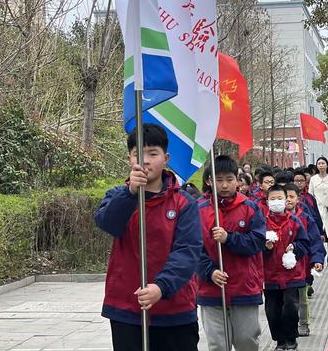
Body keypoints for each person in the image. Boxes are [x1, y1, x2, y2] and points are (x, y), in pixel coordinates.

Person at [94, 124, 202, 351]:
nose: (145, 160)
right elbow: (108, 224)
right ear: (129, 159)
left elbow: (187, 252)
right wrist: (130, 194)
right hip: (127, 308)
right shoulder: (117, 196)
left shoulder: (184, 203)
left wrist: (161, 286)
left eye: (153, 153)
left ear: (166, 158)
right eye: (138, 154)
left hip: (175, 309)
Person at [198, 155, 266, 351]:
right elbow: (191, 249)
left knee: (247, 341)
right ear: (209, 181)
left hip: (244, 286)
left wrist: (229, 238)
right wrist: (210, 271)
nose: (225, 185)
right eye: (218, 180)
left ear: (237, 180)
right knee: (218, 344)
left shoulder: (250, 208)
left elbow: (257, 242)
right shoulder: (198, 210)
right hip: (211, 289)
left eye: (229, 179)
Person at [263, 185, 310, 351]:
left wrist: (294, 248)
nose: (277, 202)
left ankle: (291, 338)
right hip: (269, 276)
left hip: (292, 275)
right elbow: (254, 248)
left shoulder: (294, 221)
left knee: (290, 307)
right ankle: (279, 341)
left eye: (280, 199)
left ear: (286, 200)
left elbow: (305, 243)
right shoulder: (262, 223)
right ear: (267, 201)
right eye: (273, 199)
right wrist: (266, 248)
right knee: (272, 311)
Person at [285, 183, 326, 337]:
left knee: (302, 298)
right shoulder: (273, 219)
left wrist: (317, 260)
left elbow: (315, 241)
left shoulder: (305, 218)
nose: (288, 200)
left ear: (298, 198)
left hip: (303, 266)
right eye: (286, 197)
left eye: (291, 197)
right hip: (283, 268)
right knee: (288, 300)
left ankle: (303, 324)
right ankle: (289, 325)